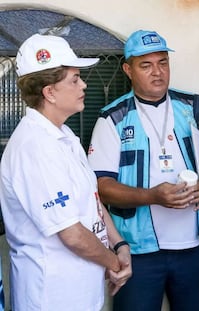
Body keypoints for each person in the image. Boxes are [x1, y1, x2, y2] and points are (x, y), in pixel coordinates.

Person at [87, 29, 199, 311]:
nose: (157, 72)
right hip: (137, 250)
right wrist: (153, 197)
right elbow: (101, 186)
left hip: (194, 245)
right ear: (128, 69)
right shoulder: (113, 118)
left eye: (163, 62)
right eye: (146, 65)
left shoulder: (195, 108)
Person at [0, 34, 132, 311]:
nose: (84, 85)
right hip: (52, 297)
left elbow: (91, 200)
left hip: (81, 293)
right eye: (74, 79)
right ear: (50, 92)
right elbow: (70, 234)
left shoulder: (65, 135)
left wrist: (119, 244)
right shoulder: (34, 147)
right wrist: (113, 262)